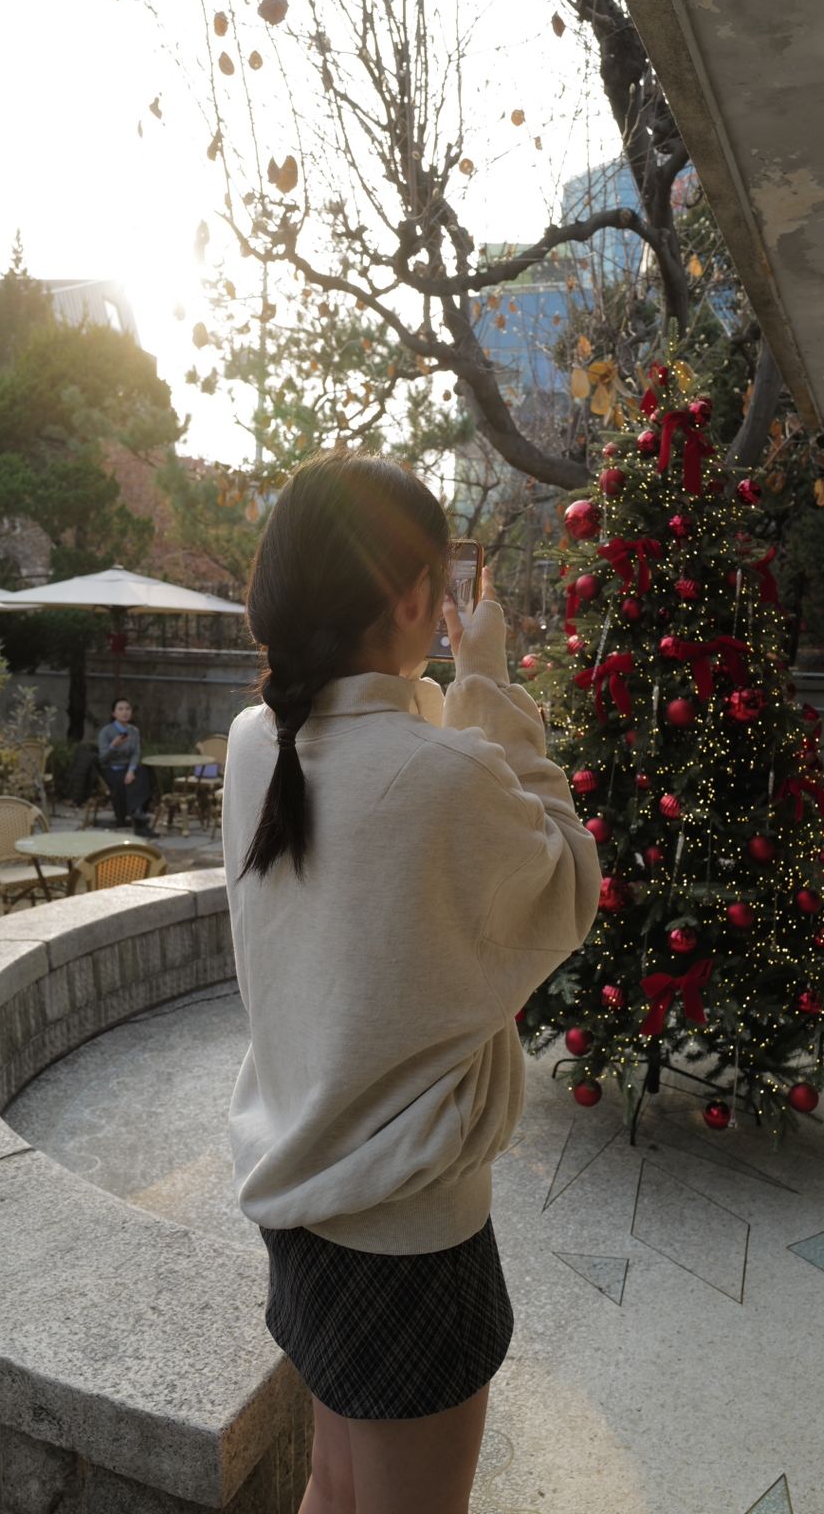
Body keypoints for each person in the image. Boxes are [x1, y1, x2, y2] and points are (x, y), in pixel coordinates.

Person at [222, 448, 601, 1514]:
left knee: (333, 1486)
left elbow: (394, 751)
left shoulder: (257, 742)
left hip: (300, 1198)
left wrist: (452, 689)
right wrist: (488, 682)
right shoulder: (446, 776)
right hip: (408, 1235)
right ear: (411, 598)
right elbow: (568, 882)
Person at [96, 698, 157, 836]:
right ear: (114, 713)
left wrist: (131, 770)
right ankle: (139, 819)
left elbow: (136, 753)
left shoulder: (133, 731)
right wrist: (113, 746)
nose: (125, 712)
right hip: (111, 768)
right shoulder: (106, 732)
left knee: (145, 772)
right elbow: (102, 758)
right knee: (128, 781)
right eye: (121, 709)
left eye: (128, 709)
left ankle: (138, 813)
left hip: (127, 767)